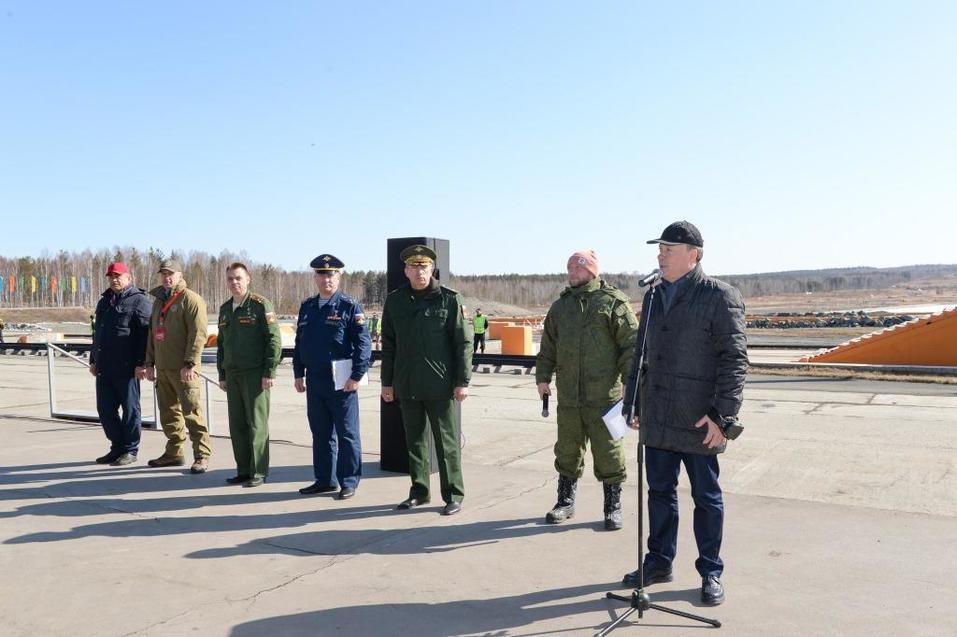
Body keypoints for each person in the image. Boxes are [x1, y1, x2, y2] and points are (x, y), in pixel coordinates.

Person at [620, 221, 748, 607]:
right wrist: (633, 403)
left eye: (668, 249)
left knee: (706, 498)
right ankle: (659, 561)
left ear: (693, 255)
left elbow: (735, 360)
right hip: (658, 415)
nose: (660, 256)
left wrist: (723, 416)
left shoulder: (720, 296)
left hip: (699, 419)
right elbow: (640, 354)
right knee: (659, 493)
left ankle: (710, 571)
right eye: (659, 249)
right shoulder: (654, 296)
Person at [536, 250, 638, 530]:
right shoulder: (561, 307)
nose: (572, 273)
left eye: (577, 268)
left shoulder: (613, 303)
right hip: (569, 398)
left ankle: (613, 507)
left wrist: (630, 384)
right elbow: (548, 348)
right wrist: (542, 378)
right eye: (569, 268)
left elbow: (631, 346)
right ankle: (565, 502)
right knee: (567, 451)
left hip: (608, 398)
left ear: (592, 271)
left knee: (610, 452)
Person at [380, 244, 473, 515]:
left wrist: (462, 381)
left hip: (439, 385)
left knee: (447, 444)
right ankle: (419, 492)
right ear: (406, 271)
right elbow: (389, 345)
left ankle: (453, 494)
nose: (419, 271)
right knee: (415, 443)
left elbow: (463, 343)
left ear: (432, 269)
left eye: (424, 266)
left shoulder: (449, 299)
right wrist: (387, 382)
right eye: (414, 266)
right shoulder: (395, 301)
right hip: (407, 384)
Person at [293, 254, 371, 500]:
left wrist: (356, 375)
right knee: (321, 433)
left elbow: (364, 344)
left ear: (339, 277)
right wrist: (298, 373)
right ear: (315, 278)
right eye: (322, 275)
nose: (326, 279)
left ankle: (348, 481)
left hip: (342, 381)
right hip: (315, 380)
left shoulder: (349, 307)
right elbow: (300, 342)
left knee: (347, 434)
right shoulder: (308, 307)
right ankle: (325, 480)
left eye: (331, 275)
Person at [140, 259, 211, 474]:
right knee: (168, 414)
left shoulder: (191, 300)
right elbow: (153, 334)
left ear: (180, 275)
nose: (167, 278)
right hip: (163, 368)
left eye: (171, 274)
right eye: (163, 274)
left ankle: (202, 455)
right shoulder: (159, 301)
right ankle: (174, 453)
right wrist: (149, 363)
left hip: (184, 369)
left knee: (192, 413)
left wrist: (190, 363)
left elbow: (198, 335)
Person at [216, 263, 282, 488]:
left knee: (257, 424)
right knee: (237, 425)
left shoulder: (260, 305)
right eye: (230, 279)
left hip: (255, 374)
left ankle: (259, 471)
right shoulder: (226, 309)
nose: (234, 282)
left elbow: (273, 340)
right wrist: (222, 374)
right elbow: (222, 345)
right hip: (232, 374)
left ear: (248, 279)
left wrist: (269, 371)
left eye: (238, 278)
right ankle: (243, 470)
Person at [89, 262, 152, 465]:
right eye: (111, 276)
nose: (114, 280)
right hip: (104, 367)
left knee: (130, 410)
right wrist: (93, 359)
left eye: (118, 276)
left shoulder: (139, 301)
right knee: (105, 410)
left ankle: (130, 449)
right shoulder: (105, 301)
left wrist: (142, 363)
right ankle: (117, 447)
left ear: (128, 278)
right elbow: (97, 333)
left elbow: (145, 336)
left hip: (127, 368)